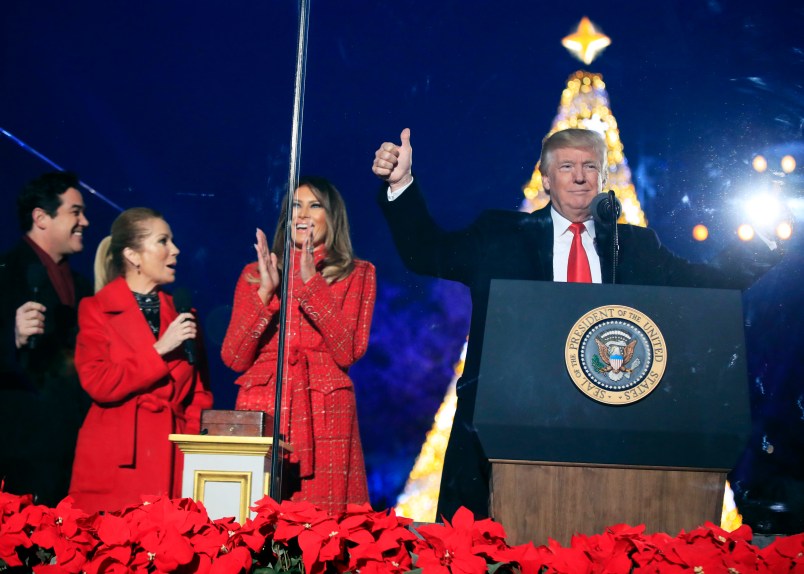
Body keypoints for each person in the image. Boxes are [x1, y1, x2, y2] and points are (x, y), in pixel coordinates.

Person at [372, 127, 783, 521]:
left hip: (608, 434)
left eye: (590, 167)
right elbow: (427, 251)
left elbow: (706, 284)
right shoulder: (500, 235)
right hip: (503, 425)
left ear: (603, 178)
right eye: (566, 166)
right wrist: (401, 183)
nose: (580, 177)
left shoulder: (635, 247)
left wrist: (768, 238)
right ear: (546, 178)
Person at [221, 176, 376, 516]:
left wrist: (311, 284)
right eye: (295, 206)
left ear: (332, 217)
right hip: (263, 405)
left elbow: (348, 351)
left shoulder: (357, 273)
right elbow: (233, 358)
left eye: (314, 205)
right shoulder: (255, 273)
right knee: (256, 519)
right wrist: (265, 292)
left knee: (321, 524)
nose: (303, 214)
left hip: (324, 412)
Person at [68, 207, 213, 513]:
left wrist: (192, 453)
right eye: (163, 241)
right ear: (133, 255)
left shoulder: (184, 314)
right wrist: (159, 349)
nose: (175, 250)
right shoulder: (96, 309)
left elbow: (199, 395)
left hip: (172, 459)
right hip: (117, 459)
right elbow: (98, 382)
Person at [0, 172, 92, 506]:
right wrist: (11, 338)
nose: (85, 221)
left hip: (71, 448)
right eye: (75, 212)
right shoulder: (6, 273)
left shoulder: (83, 286)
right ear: (40, 217)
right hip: (17, 450)